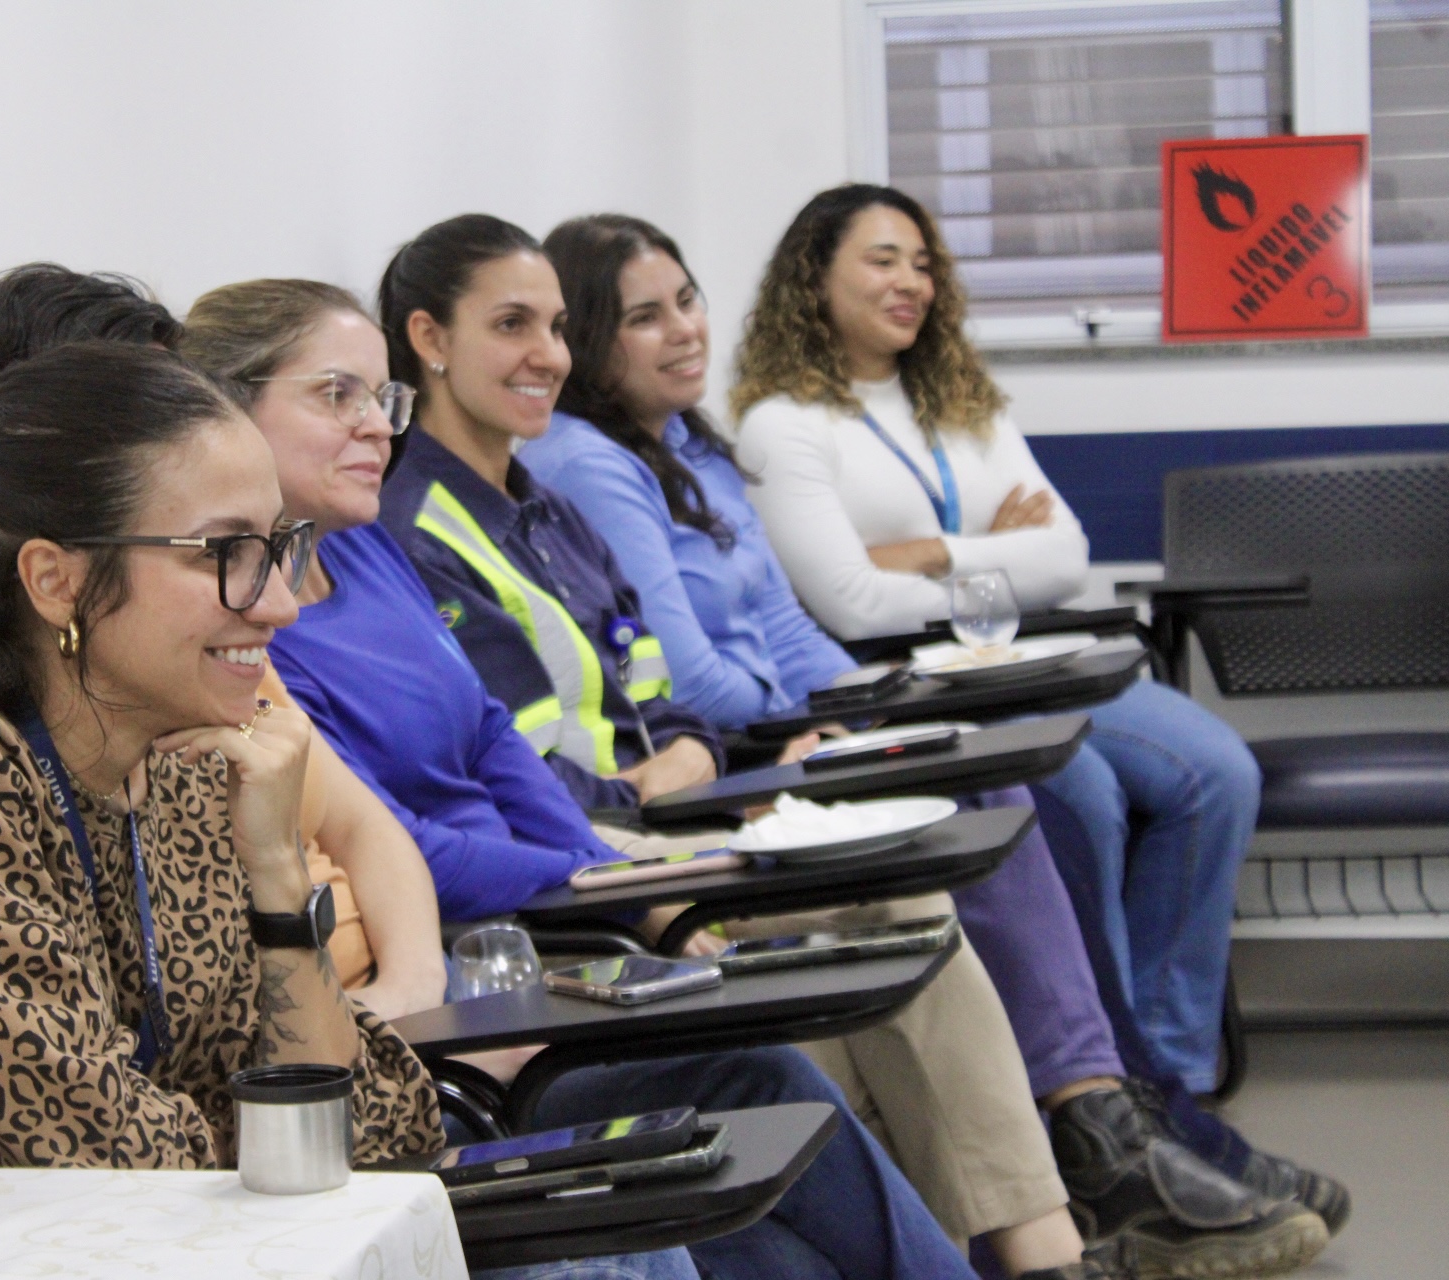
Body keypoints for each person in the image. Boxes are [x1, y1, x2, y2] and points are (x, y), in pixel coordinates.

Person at [522, 212, 1343, 1274]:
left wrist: (865, 701)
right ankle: (1105, 1132)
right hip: (739, 755)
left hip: (811, 714)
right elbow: (689, 670)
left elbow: (793, 624)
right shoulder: (602, 462)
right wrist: (827, 717)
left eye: (687, 301)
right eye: (645, 316)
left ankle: (1122, 1111)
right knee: (1026, 801)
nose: (685, 330)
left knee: (1080, 784)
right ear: (592, 340)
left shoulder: (693, 446)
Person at [180, 268, 1017, 1280]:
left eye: (378, 396)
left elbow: (491, 731)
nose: (373, 425)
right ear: (227, 411)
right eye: (335, 394)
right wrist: (598, 880)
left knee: (775, 1096)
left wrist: (602, 870)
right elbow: (403, 842)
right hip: (478, 957)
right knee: (750, 1141)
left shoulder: (361, 547)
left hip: (518, 914)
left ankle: (1031, 1229)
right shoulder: (244, 619)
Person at [0, 340, 443, 1173]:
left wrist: (280, 874)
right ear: (55, 581)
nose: (280, 604)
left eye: (278, 546)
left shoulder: (184, 751)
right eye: (225, 554)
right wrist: (257, 1137)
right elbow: (82, 1160)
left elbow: (373, 1130)